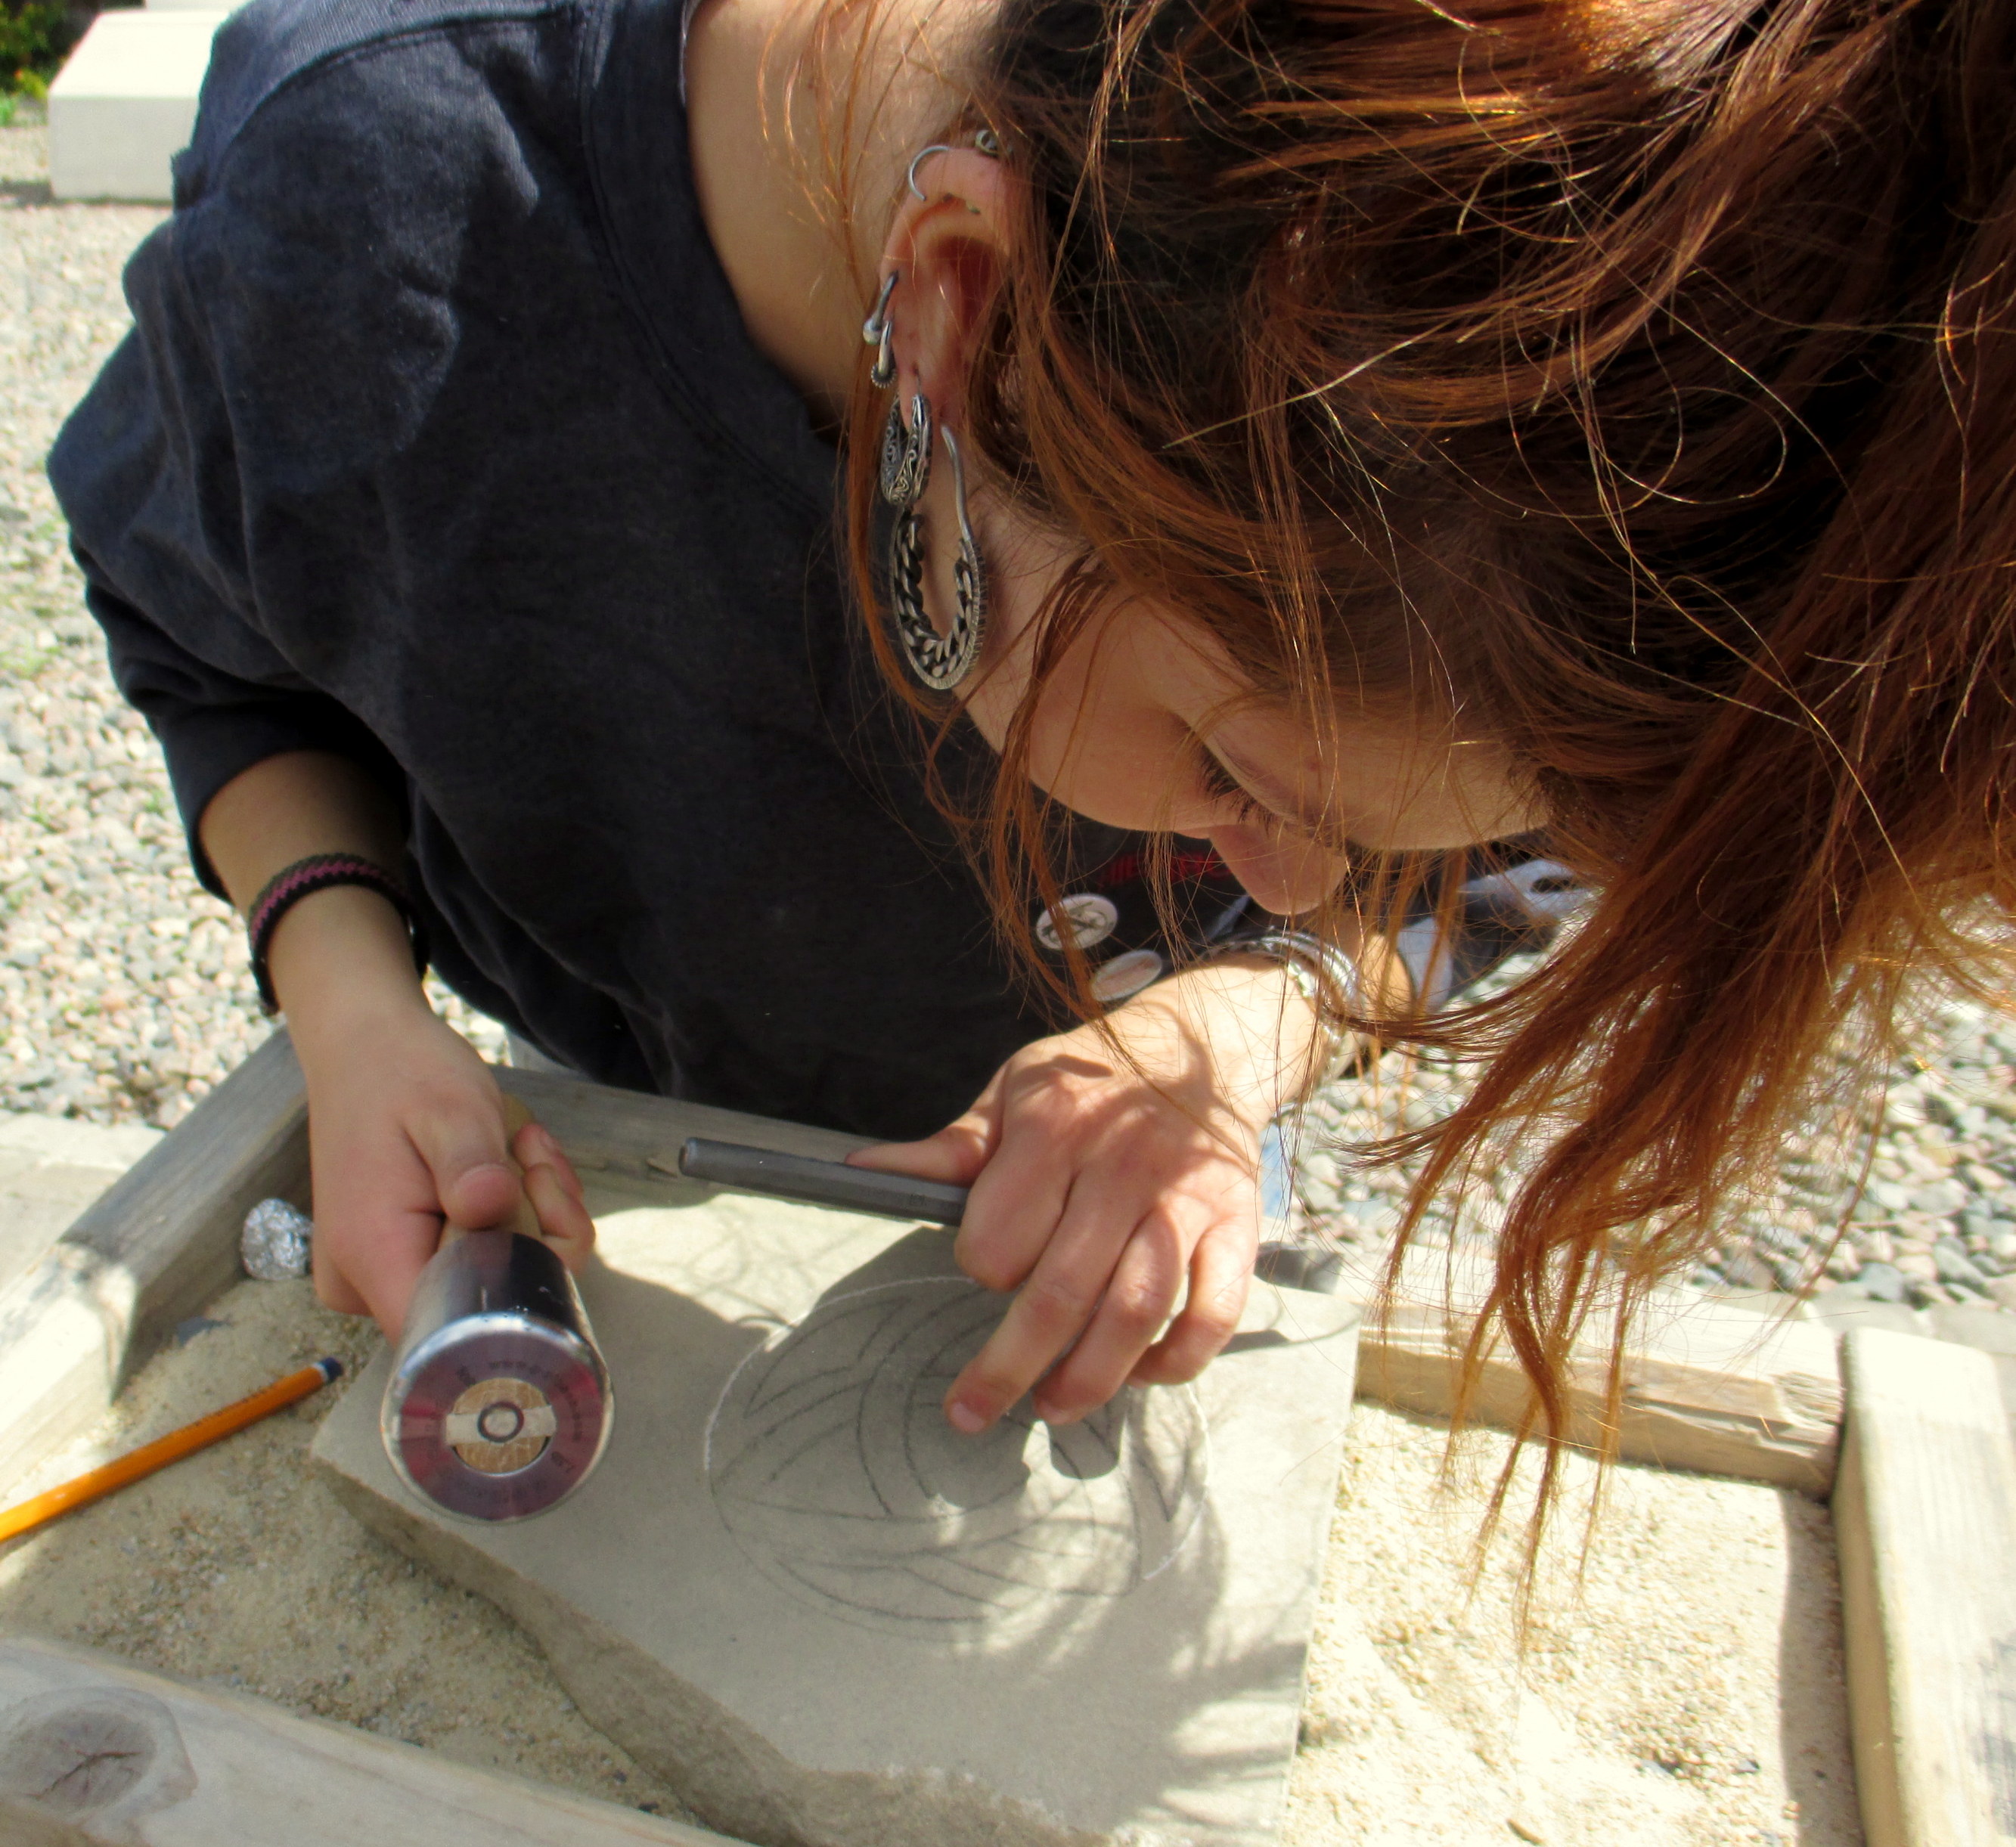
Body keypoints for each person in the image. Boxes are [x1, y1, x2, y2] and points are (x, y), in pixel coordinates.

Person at [50, 0, 2015, 1465]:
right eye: (1238, 773)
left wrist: (1243, 1033)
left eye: (1371, 841)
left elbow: (1501, 865)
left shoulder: (1552, 540)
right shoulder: (368, 224)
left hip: (1105, 1198)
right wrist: (350, 1001)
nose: (1296, 886)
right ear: (954, 310)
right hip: (589, 1144)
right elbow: (215, 650)